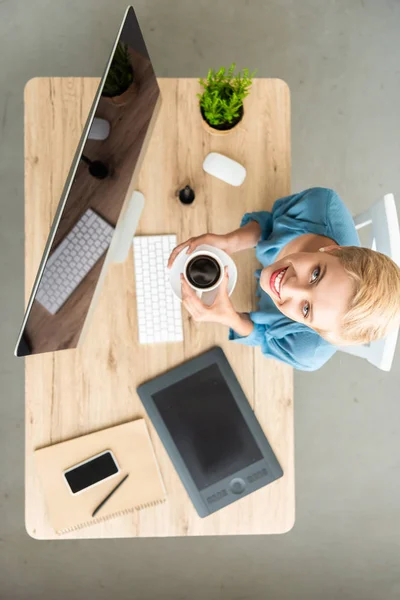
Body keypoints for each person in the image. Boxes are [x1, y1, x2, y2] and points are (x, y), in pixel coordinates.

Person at [168, 187, 400, 371]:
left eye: (306, 309)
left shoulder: (306, 350)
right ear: (332, 250)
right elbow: (270, 223)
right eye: (316, 274)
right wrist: (231, 242)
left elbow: (264, 339)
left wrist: (230, 318)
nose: (289, 287)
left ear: (315, 331)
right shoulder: (320, 206)